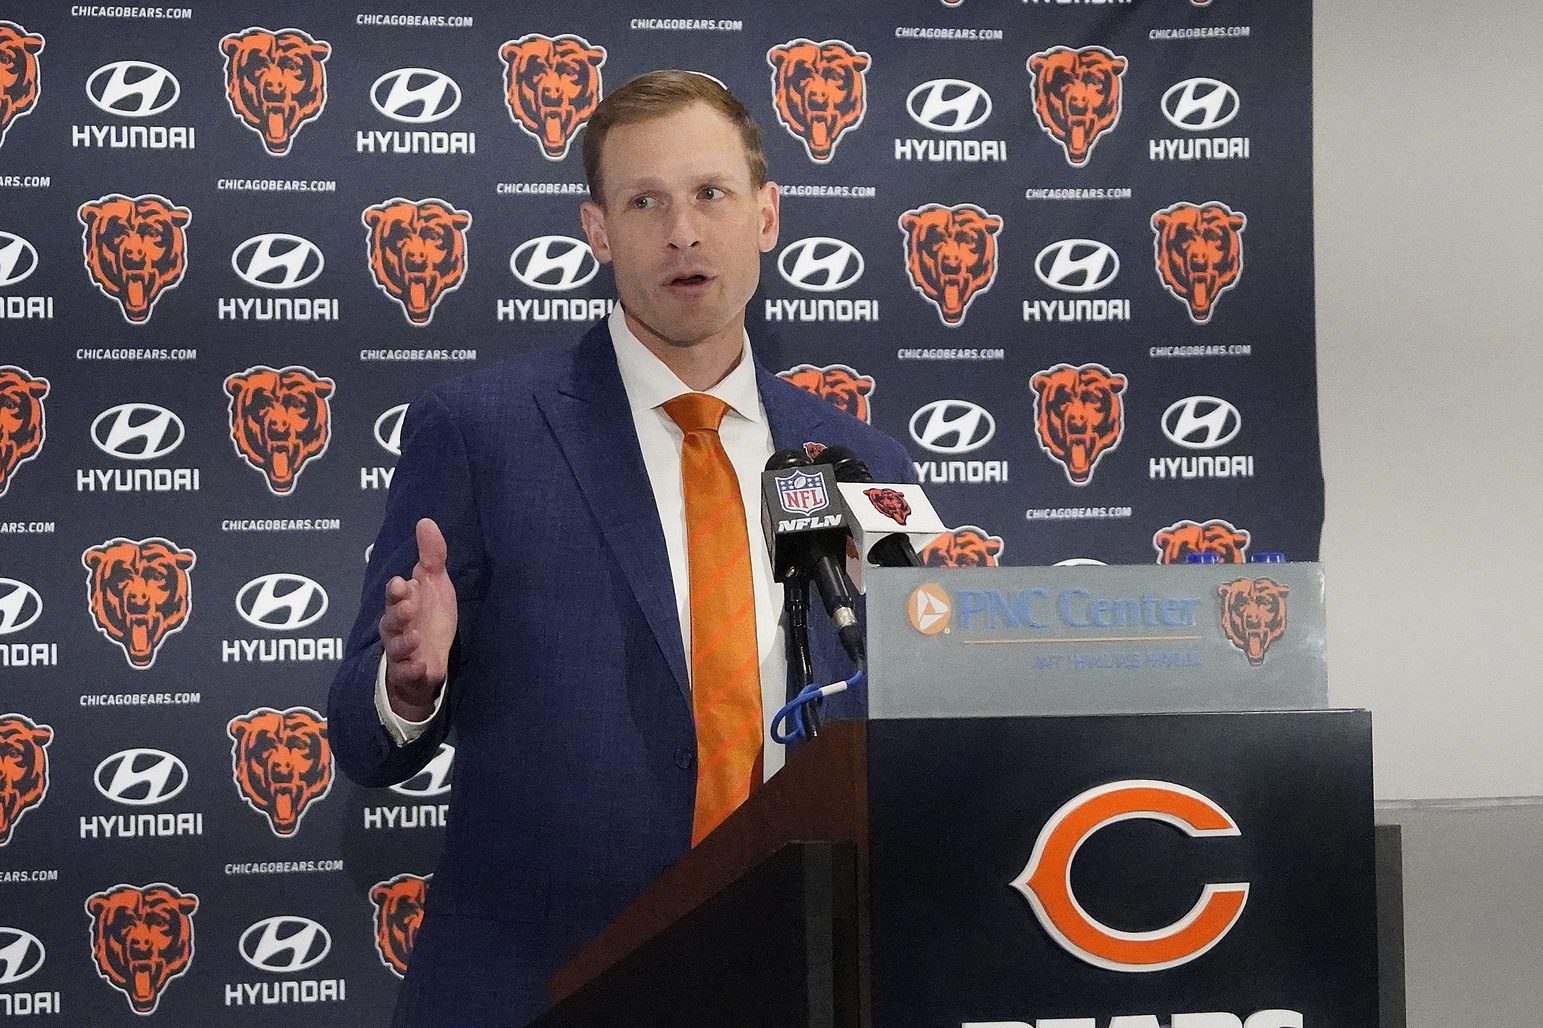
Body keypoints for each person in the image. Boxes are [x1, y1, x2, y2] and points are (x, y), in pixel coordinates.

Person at [328, 71, 914, 1027]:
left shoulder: (863, 461)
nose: (682, 229)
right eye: (645, 201)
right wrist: (408, 686)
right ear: (597, 231)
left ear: (766, 215)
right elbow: (360, 738)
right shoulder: (481, 434)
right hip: (542, 985)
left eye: (710, 194)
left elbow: (915, 704)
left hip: (799, 976)